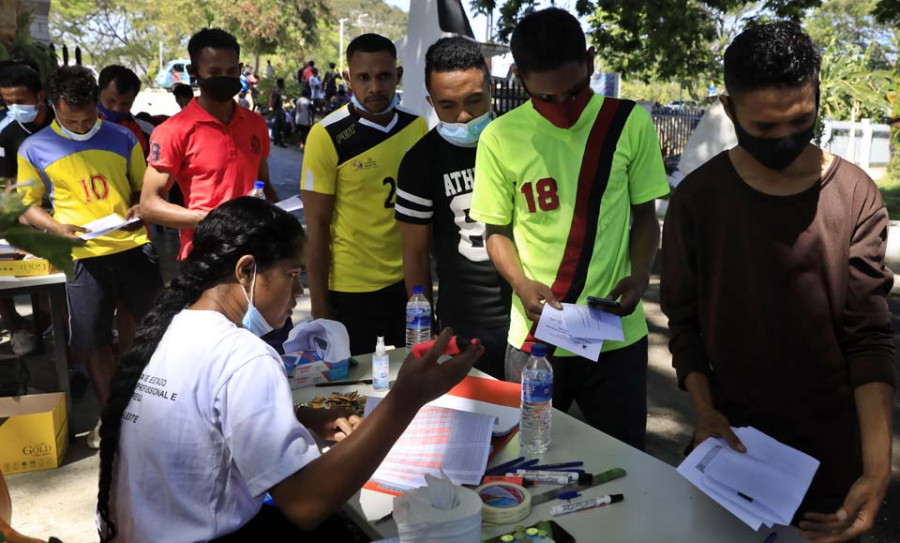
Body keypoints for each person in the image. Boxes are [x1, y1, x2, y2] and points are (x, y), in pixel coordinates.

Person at [95, 197, 483, 542]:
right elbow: (306, 504)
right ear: (246, 270)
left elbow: (198, 417)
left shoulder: (166, 326)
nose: (298, 294)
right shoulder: (243, 356)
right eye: (292, 276)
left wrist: (300, 416)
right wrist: (405, 399)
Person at [661, 23, 894, 541]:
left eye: (801, 120)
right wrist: (704, 412)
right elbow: (684, 321)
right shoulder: (698, 200)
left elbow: (871, 337)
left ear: (817, 94)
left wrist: (877, 470)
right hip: (731, 451)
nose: (786, 140)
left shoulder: (855, 194)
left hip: (831, 464)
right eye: (765, 129)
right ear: (728, 106)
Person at [470, 8, 669, 451]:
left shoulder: (628, 122)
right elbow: (496, 231)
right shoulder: (500, 137)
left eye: (575, 91)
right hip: (536, 337)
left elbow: (644, 217)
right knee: (528, 459)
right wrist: (521, 283)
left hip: (615, 333)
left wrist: (640, 275)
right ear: (520, 79)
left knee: (626, 461)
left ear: (592, 62)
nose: (564, 107)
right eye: (547, 98)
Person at [16, 65, 163, 448]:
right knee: (94, 342)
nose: (82, 127)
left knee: (149, 333)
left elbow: (142, 191)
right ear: (53, 107)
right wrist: (55, 228)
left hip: (132, 248)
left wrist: (137, 209)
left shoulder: (123, 137)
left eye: (88, 118)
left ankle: (149, 411)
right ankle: (110, 417)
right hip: (82, 256)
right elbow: (26, 207)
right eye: (72, 121)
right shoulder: (33, 148)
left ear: (97, 105)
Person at [301, 33, 428, 355]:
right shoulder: (327, 135)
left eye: (383, 76)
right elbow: (316, 228)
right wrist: (320, 308)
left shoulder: (417, 127)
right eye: (363, 77)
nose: (374, 87)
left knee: (410, 380)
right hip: (350, 289)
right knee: (355, 391)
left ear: (397, 75)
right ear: (348, 79)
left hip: (406, 286)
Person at [396, 37, 510, 380]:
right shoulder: (420, 161)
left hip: (526, 316)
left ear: (491, 89)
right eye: (448, 105)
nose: (464, 115)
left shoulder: (520, 143)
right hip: (462, 322)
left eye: (475, 100)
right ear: (431, 102)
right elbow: (414, 255)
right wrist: (424, 327)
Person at [141, 27, 277, 261]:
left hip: (255, 251)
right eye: (214, 71)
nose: (224, 77)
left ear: (241, 70)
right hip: (205, 255)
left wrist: (279, 223)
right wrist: (209, 218)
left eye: (231, 71)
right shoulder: (173, 131)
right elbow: (149, 205)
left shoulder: (255, 123)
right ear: (194, 72)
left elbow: (264, 185)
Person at [0, 62, 55, 356]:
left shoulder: (65, 120)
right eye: (7, 102)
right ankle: (18, 328)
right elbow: (6, 185)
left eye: (20, 101)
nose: (14, 107)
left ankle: (59, 324)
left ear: (40, 95)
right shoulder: (6, 133)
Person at [97, 65, 154, 156]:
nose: (117, 108)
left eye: (125, 104)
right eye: (111, 101)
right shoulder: (78, 125)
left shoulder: (148, 132)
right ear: (99, 94)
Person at [269, 77, 286, 147]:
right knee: (279, 125)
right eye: (283, 83)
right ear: (280, 84)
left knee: (278, 125)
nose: (284, 85)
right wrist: (273, 108)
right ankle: (279, 141)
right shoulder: (277, 92)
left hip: (279, 110)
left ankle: (277, 140)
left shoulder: (279, 92)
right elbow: (274, 101)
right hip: (278, 110)